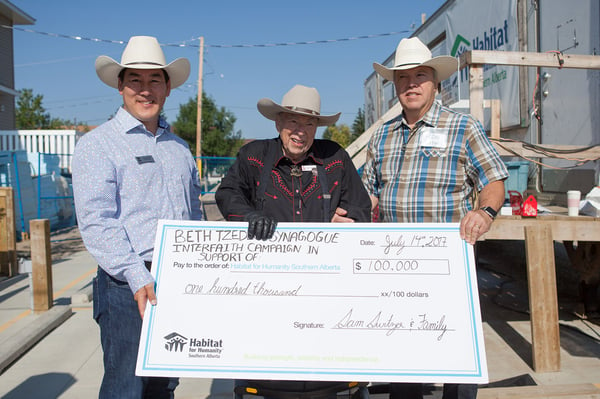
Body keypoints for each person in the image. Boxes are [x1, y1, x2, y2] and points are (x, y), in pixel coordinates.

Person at [361, 37, 509, 399]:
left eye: (420, 75)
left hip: (448, 263)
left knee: (456, 355)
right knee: (403, 353)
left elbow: (493, 180)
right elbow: (368, 193)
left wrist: (484, 211)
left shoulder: (464, 127)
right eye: (403, 77)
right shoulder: (381, 137)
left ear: (435, 82)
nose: (411, 84)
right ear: (394, 85)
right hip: (395, 265)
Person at [215, 84, 372, 396]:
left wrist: (352, 218)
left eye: (309, 124)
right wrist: (248, 216)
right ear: (278, 122)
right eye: (293, 122)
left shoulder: (336, 158)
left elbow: (361, 205)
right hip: (266, 292)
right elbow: (227, 193)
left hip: (327, 291)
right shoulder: (254, 156)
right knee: (268, 376)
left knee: (328, 379)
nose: (301, 131)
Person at [72, 36, 203, 399]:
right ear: (120, 86)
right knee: (126, 388)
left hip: (176, 282)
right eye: (135, 81)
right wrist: (136, 274)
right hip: (126, 287)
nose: (145, 90)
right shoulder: (97, 145)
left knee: (163, 386)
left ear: (168, 87)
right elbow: (97, 221)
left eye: (154, 81)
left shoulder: (178, 149)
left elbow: (192, 213)